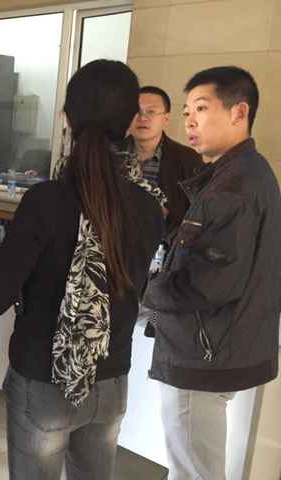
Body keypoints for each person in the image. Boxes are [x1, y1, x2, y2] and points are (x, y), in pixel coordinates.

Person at [0, 60, 164, 480]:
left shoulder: (45, 201)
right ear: (130, 123)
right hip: (111, 377)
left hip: (43, 379)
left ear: (66, 119)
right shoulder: (150, 205)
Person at [143, 66, 281, 480]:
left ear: (239, 112)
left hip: (201, 354)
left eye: (201, 109)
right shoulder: (244, 173)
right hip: (221, 345)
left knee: (195, 472)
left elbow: (207, 284)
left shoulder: (233, 187)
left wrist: (143, 289)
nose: (190, 121)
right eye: (187, 111)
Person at [128, 85, 202, 233]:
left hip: (164, 242)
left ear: (165, 119)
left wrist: (168, 217)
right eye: (136, 111)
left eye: (151, 112)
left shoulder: (188, 159)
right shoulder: (110, 154)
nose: (142, 118)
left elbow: (197, 216)